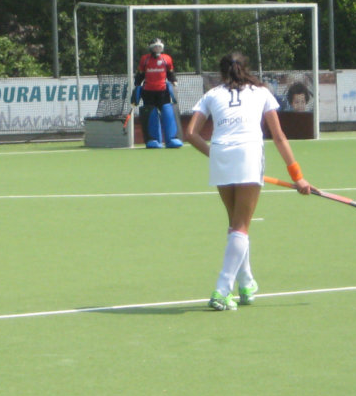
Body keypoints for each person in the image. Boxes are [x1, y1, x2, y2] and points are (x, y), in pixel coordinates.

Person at [183, 52, 311, 311]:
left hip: (221, 154)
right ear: (246, 69)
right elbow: (279, 137)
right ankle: (222, 290)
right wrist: (298, 177)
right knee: (241, 226)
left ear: (222, 72)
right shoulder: (262, 92)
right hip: (248, 155)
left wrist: (214, 154)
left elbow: (191, 133)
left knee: (236, 224)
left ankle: (246, 284)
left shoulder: (212, 94)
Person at [130, 38, 183, 148]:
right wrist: (137, 85)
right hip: (148, 92)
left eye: (159, 46)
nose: (157, 48)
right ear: (151, 48)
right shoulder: (145, 59)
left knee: (167, 112)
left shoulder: (167, 59)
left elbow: (170, 72)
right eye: (155, 47)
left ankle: (172, 139)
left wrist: (174, 81)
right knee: (151, 114)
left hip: (163, 92)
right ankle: (153, 140)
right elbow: (140, 74)